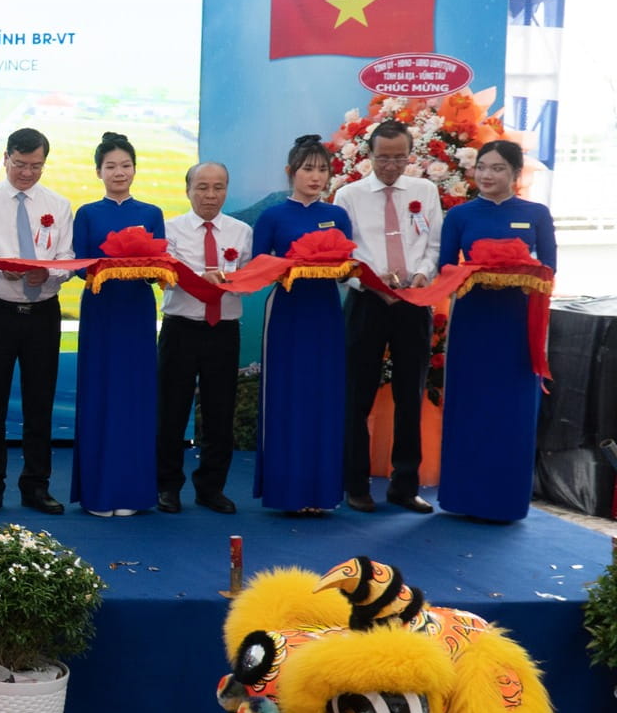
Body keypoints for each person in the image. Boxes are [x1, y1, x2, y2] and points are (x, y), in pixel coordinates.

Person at [437, 140, 556, 523]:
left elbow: (549, 270)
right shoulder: (460, 216)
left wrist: (519, 275)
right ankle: (462, 498)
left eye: (498, 168)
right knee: (469, 405)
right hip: (473, 321)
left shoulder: (536, 214)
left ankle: (504, 502)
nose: (487, 175)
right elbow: (445, 269)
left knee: (512, 410)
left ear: (516, 174)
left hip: (516, 325)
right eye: (482, 167)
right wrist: (474, 277)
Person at [338, 119, 442, 513]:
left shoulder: (425, 190)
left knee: (410, 395)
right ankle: (356, 483)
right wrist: (372, 278)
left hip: (413, 302)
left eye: (399, 158)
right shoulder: (348, 195)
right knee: (357, 395)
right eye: (383, 158)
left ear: (410, 155)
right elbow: (344, 251)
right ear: (369, 156)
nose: (390, 166)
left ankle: (404, 483)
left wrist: (422, 274)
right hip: (367, 301)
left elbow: (434, 244)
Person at [0, 127, 73, 515]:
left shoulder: (59, 204)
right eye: (21, 164)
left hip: (43, 314)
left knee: (39, 402)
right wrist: (0, 271)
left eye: (36, 166)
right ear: (5, 158)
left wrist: (50, 274)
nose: (28, 173)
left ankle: (36, 485)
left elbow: (67, 257)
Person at [253, 134, 355, 516]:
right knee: (287, 397)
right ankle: (286, 492)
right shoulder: (273, 216)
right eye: (307, 169)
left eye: (322, 169)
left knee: (323, 398)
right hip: (287, 314)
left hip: (326, 313)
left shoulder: (338, 215)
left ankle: (321, 492)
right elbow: (258, 268)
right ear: (290, 172)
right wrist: (287, 268)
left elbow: (346, 268)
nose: (315, 177)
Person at [70, 132, 167, 517]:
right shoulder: (88, 214)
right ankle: (98, 492)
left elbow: (160, 265)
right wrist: (109, 267)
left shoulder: (151, 214)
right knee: (101, 393)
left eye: (125, 165)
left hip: (138, 312)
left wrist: (141, 266)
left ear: (135, 169)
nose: (119, 172)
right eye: (110, 166)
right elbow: (78, 265)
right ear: (98, 172)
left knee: (134, 397)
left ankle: (132, 492)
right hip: (101, 310)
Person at [156, 162, 250, 514]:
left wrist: (233, 278)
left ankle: (211, 487)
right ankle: (167, 486)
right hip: (180, 328)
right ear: (188, 190)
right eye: (203, 187)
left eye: (218, 187)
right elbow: (167, 272)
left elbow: (251, 275)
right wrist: (201, 277)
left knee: (219, 412)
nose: (211, 195)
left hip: (223, 330)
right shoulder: (170, 229)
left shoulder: (242, 232)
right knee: (171, 410)